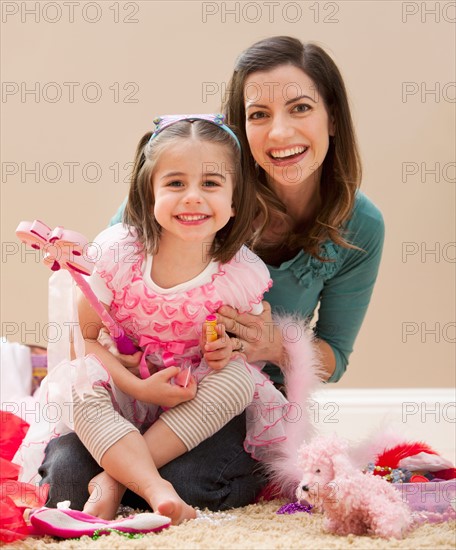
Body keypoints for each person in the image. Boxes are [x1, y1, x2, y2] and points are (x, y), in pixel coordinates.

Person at [37, 36, 384, 511]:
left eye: (300, 108)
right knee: (69, 480)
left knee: (197, 481)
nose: (280, 133)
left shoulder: (360, 226)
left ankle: (122, 481)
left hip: (221, 400)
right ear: (240, 128)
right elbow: (99, 308)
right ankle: (117, 478)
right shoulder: (175, 199)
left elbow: (335, 355)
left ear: (334, 119)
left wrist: (274, 345)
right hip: (135, 385)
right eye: (258, 115)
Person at [16, 113, 291, 524]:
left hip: (191, 406)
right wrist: (137, 386)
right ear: (148, 194)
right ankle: (155, 486)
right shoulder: (116, 254)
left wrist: (221, 351)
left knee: (238, 379)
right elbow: (84, 341)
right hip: (122, 396)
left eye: (211, 184)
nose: (193, 197)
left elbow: (239, 351)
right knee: (76, 385)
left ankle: (114, 480)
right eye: (176, 183)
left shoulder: (240, 273)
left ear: (235, 200)